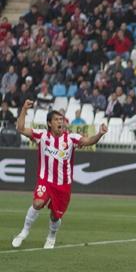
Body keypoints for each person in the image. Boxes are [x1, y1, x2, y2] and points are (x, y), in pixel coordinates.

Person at [11, 100, 107, 249]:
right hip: (45, 180)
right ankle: (24, 232)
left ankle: (51, 236)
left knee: (55, 216)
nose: (60, 122)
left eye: (61, 119)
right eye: (56, 120)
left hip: (63, 184)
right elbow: (21, 128)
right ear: (49, 123)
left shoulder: (71, 138)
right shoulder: (41, 136)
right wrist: (24, 108)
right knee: (37, 203)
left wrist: (100, 134)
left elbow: (88, 141)